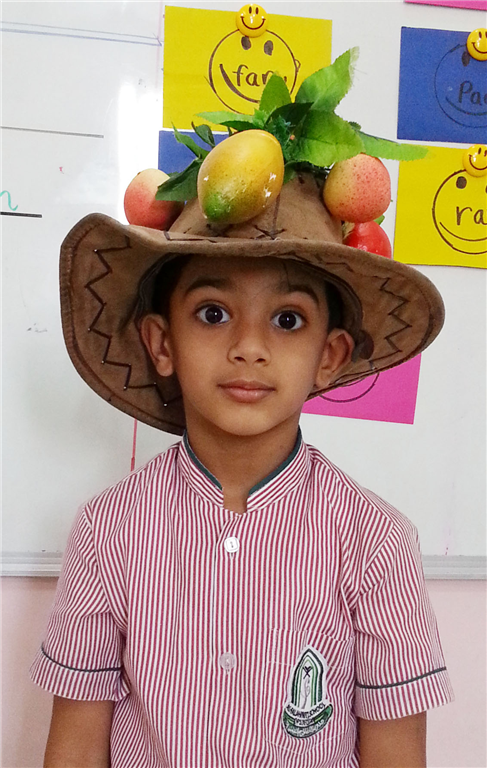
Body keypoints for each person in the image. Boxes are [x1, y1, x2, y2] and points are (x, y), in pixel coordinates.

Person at [30, 173, 453, 768]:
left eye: (288, 320)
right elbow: (74, 749)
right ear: (161, 344)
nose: (249, 346)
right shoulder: (107, 531)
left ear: (329, 356)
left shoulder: (376, 543)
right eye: (212, 313)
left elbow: (396, 756)